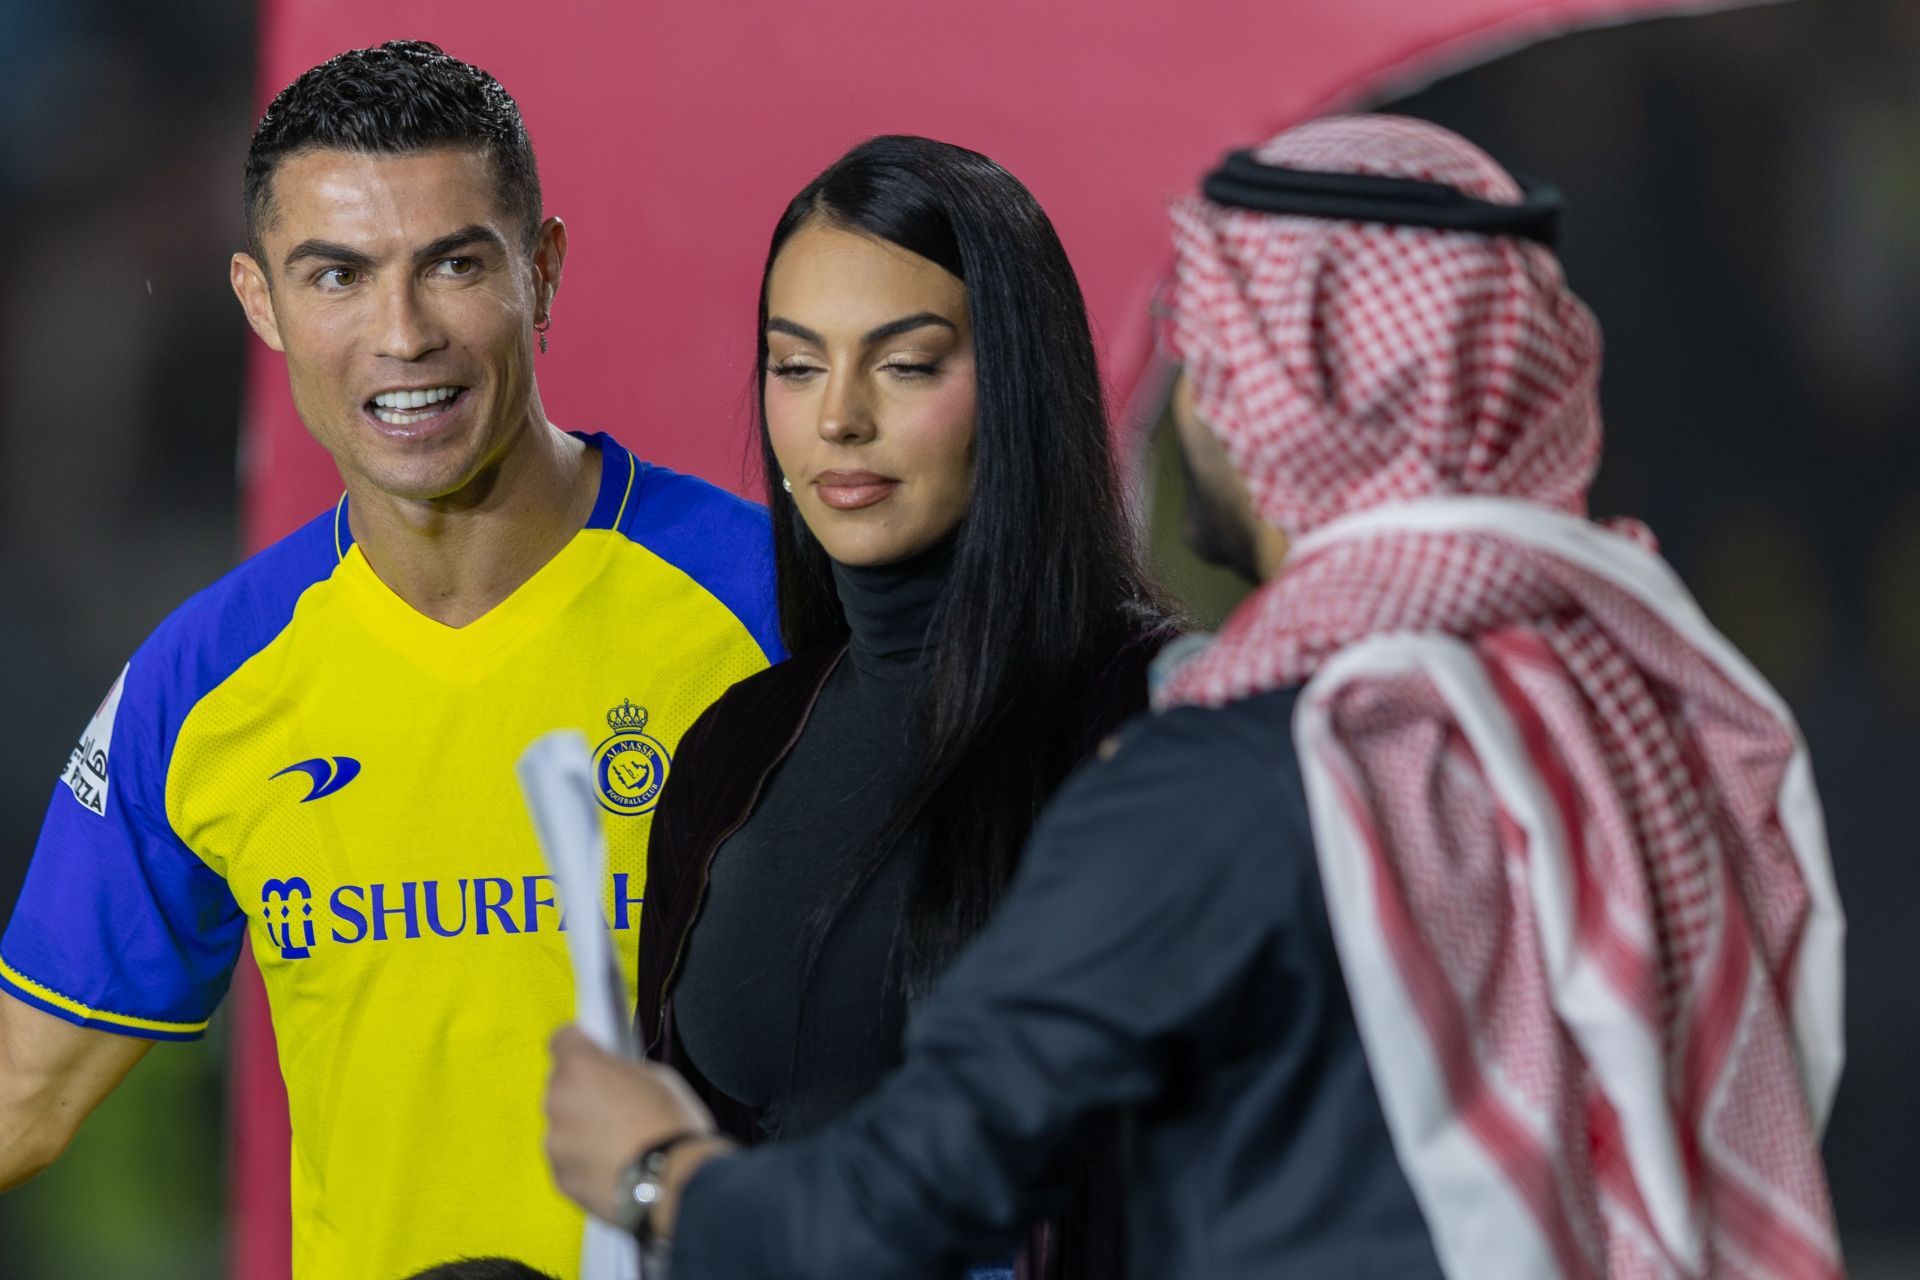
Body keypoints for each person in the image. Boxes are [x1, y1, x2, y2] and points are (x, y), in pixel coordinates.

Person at [545, 116, 1846, 1279]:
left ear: (1280, 400)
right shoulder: (1612, 706)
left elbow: (898, 1203)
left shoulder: (1209, 761)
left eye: (1215, 351)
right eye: (794, 363)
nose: (1193, 397)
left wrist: (657, 1177)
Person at [0, 40, 781, 1280]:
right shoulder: (202, 679)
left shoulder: (773, 606)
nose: (402, 333)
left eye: (454, 265)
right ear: (260, 303)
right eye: (338, 276)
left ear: (543, 270)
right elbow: (21, 1097)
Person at [620, 134, 1171, 1278]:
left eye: (908, 364)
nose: (840, 419)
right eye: (796, 365)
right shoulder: (735, 748)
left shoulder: (1152, 726)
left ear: (1018, 389)